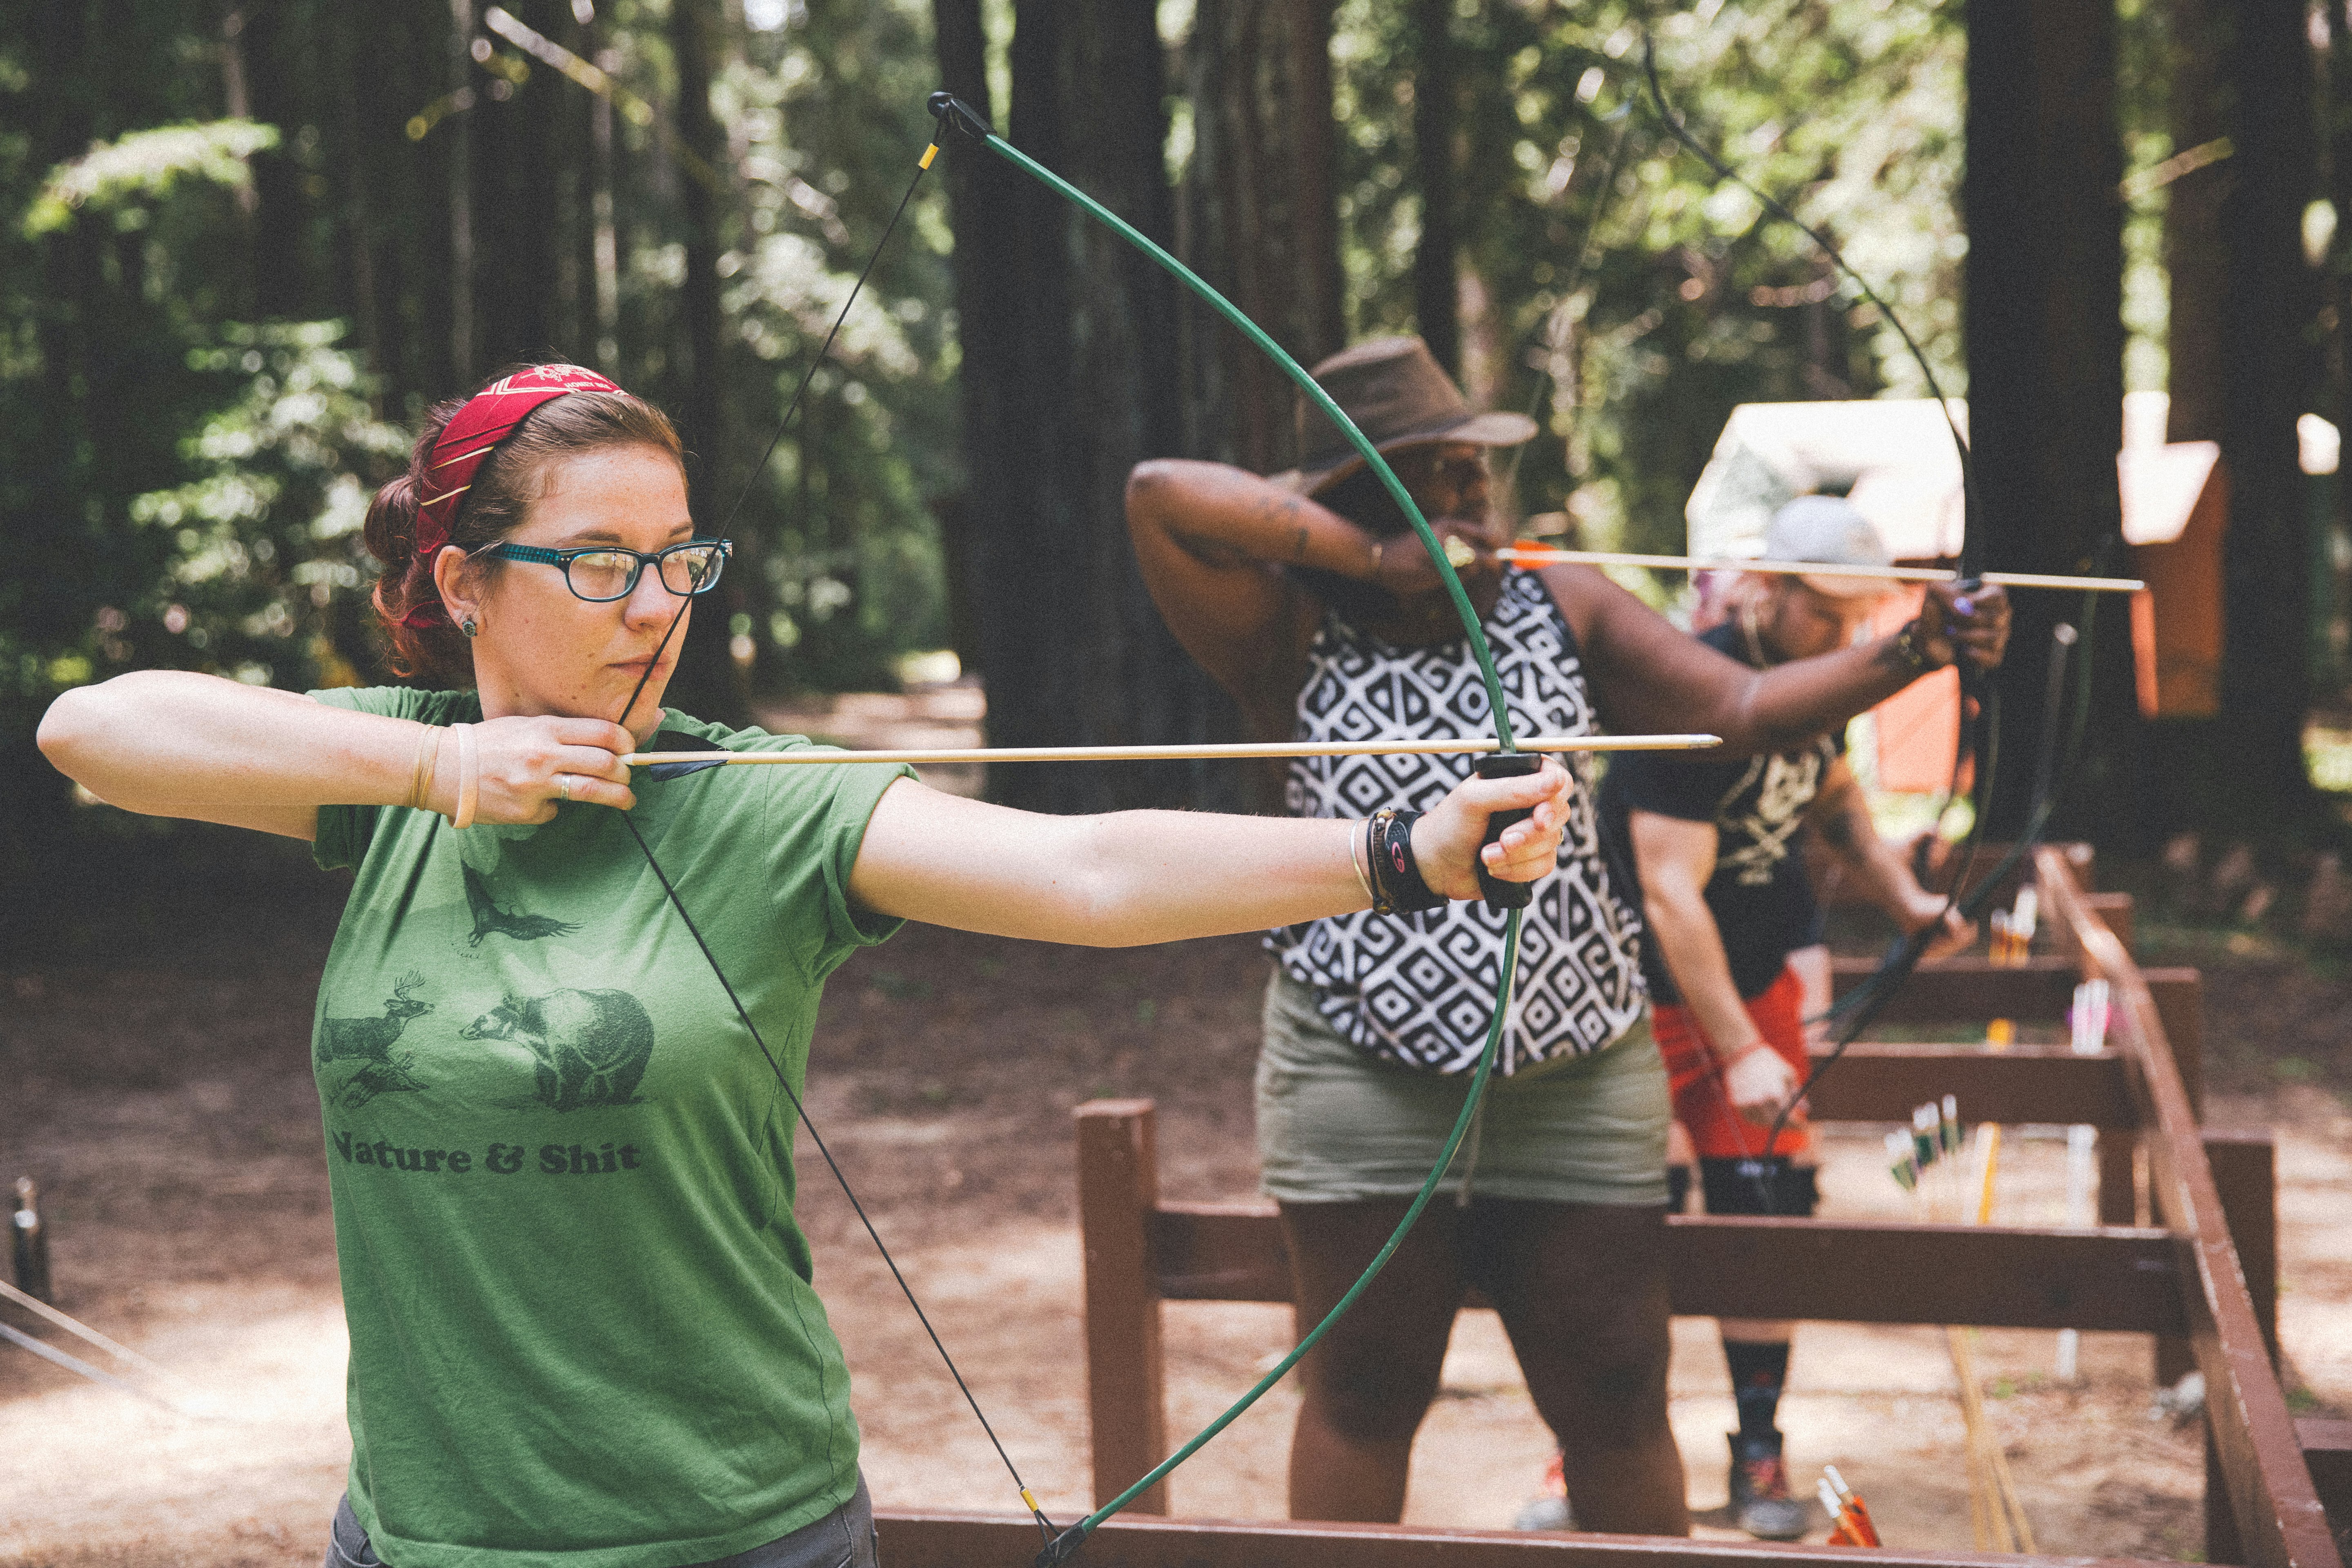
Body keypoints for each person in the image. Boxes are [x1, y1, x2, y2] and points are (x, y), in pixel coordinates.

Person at [35, 363, 1583, 1568]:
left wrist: (1404, 854)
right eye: (596, 567)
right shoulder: (392, 774)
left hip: (730, 1529)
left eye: (674, 562)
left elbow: (1082, 867)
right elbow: (92, 732)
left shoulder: (759, 800)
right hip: (422, 1534)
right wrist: (443, 778)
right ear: (464, 583)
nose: (654, 611)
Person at [1123, 337, 2010, 1535]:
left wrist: (1913, 648)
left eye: (1468, 478)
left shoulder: (1560, 595)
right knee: (1366, 1392)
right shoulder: (1278, 627)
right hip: (1359, 1065)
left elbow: (1740, 710)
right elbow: (1160, 497)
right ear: (1338, 502)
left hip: (1579, 1063)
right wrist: (1372, 558)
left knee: (1614, 1391)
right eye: (1418, 480)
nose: (1458, 504)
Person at [1591, 495, 1976, 1540]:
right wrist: (1741, 1049)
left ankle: (1758, 1450)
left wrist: (1905, 901)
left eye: (1864, 616)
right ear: (1767, 585)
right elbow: (1669, 894)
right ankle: (1592, 1445)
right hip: (1636, 995)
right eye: (1828, 612)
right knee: (1625, 1226)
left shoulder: (1820, 684)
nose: (1849, 636)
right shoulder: (1688, 688)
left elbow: (1833, 792)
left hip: (1752, 983)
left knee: (1763, 1210)